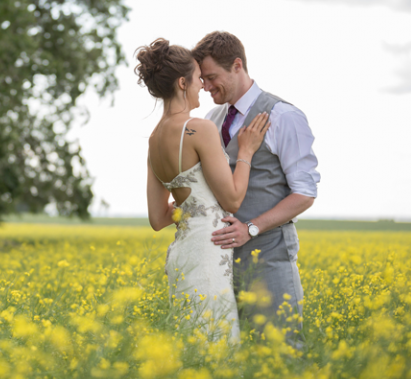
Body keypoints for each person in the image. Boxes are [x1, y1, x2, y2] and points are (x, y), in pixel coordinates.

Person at [135, 38, 270, 343]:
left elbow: (157, 218)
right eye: (198, 79)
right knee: (216, 341)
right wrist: (246, 152)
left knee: (192, 342)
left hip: (182, 251)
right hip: (208, 248)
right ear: (183, 83)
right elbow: (233, 198)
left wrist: (194, 205)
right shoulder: (199, 128)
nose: (203, 87)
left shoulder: (154, 139)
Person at [192, 30, 320, 346]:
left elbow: (305, 192)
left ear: (237, 65)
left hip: (269, 256)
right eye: (202, 80)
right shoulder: (211, 118)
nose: (206, 87)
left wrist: (250, 228)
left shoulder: (284, 116)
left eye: (211, 77)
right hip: (219, 261)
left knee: (281, 351)